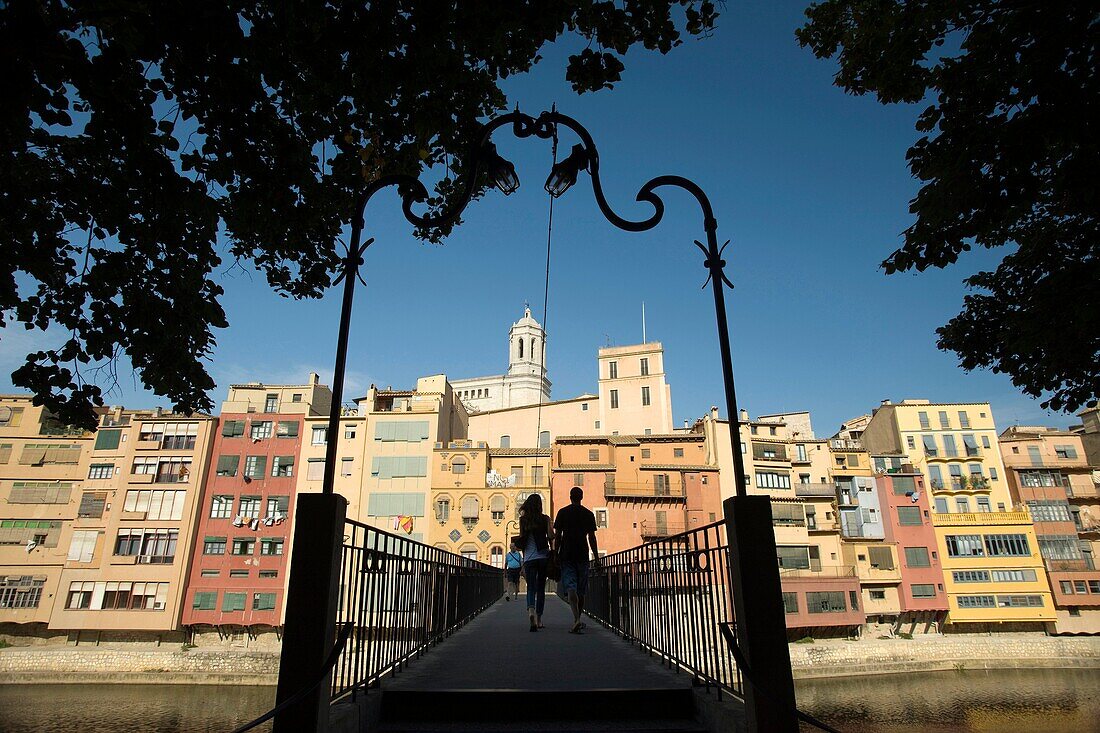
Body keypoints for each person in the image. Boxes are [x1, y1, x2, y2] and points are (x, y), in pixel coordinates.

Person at [554, 486, 599, 634]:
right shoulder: (588, 514)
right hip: (582, 554)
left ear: (570, 496)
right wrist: (597, 557)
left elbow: (558, 536)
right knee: (581, 590)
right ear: (581, 497)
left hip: (567, 554)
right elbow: (592, 537)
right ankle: (577, 618)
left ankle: (576, 619)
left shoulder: (562, 512)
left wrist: (555, 552)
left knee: (571, 587)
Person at [517, 493, 553, 632]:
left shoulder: (523, 520)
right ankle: (539, 619)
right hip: (543, 557)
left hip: (529, 559)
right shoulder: (544, 519)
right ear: (540, 505)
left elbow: (522, 539)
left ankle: (530, 611)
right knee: (541, 589)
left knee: (530, 587)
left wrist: (524, 562)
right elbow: (550, 536)